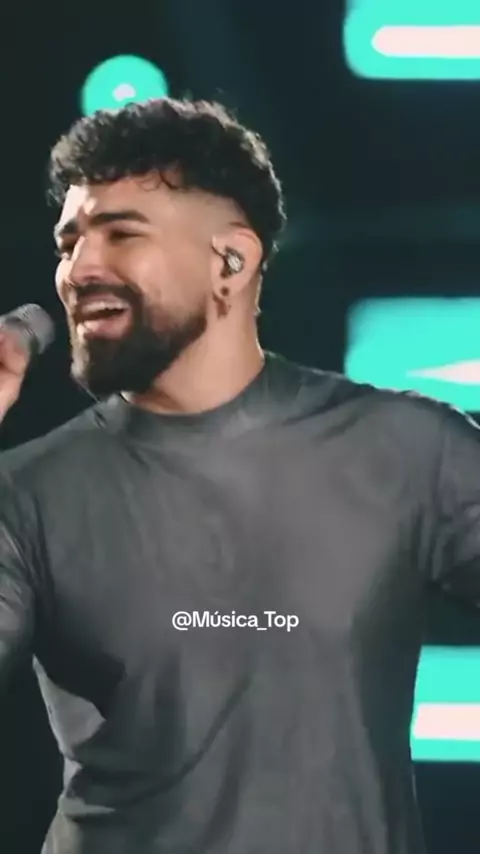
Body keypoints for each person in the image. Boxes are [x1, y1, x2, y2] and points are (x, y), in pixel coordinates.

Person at [0, 97, 479, 854]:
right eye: (70, 242)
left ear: (232, 261)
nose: (79, 270)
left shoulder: (409, 450)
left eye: (121, 233)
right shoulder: (27, 491)